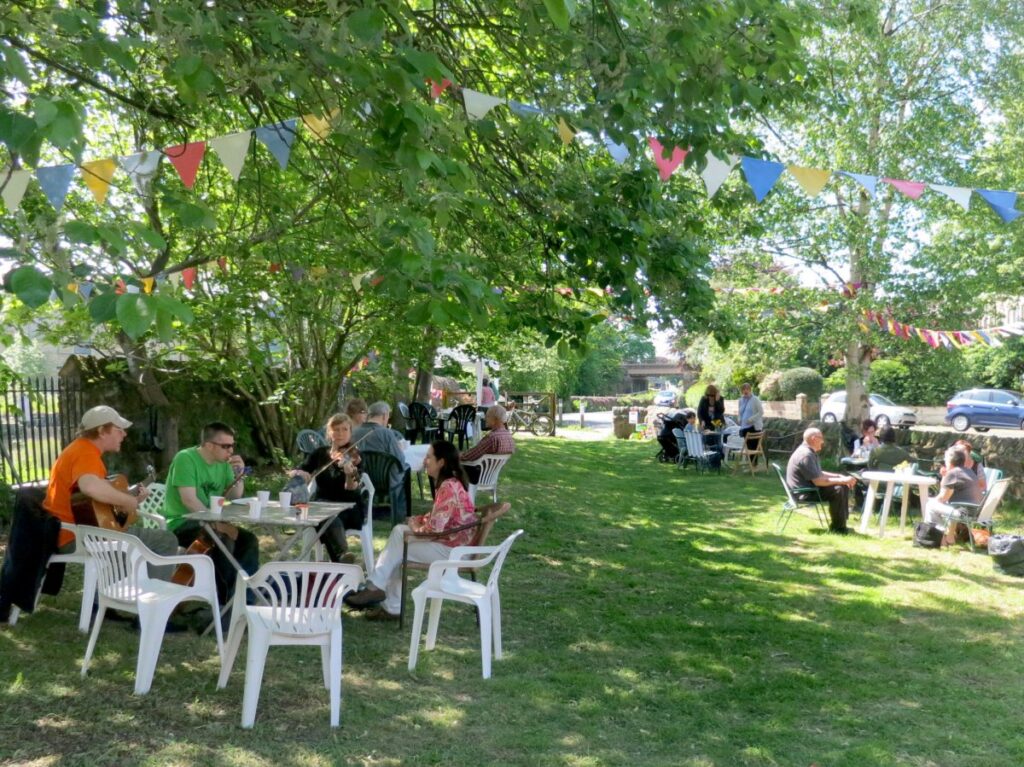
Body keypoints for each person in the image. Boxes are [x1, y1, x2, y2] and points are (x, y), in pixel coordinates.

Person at [344, 440, 477, 618]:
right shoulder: (450, 483)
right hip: (451, 545)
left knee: (399, 538)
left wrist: (414, 524)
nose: (424, 461)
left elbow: (433, 530)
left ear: (441, 462)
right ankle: (387, 602)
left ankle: (377, 591)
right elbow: (438, 519)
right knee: (398, 541)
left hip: (452, 551)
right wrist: (416, 520)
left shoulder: (448, 487)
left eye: (429, 457)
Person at [42, 405, 178, 571]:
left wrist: (133, 500)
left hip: (71, 532)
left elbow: (93, 505)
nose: (124, 434)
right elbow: (90, 488)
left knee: (138, 550)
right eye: (119, 429)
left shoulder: (80, 449)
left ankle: (126, 592)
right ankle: (154, 594)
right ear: (101, 431)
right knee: (166, 540)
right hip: (78, 535)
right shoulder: (86, 453)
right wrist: (128, 500)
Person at [162, 422, 260, 603]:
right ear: (208, 445)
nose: (230, 451)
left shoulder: (223, 464)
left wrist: (239, 475)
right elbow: (189, 500)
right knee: (222, 540)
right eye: (225, 446)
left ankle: (244, 599)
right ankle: (224, 602)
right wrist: (216, 524)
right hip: (182, 523)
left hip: (211, 522)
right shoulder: (185, 459)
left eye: (232, 445)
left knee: (249, 540)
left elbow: (235, 495)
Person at [289, 413, 365, 563]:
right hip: (321, 505)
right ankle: (341, 559)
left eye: (345, 429)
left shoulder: (355, 456)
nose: (341, 434)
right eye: (336, 430)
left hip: (348, 508)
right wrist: (300, 473)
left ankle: (340, 559)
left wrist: (349, 475)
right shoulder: (320, 454)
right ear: (329, 433)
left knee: (328, 518)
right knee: (323, 516)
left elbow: (352, 488)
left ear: (350, 432)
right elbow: (294, 471)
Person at [786, 427, 857, 533]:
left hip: (808, 488)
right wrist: (843, 481)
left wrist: (840, 477)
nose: (823, 441)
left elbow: (819, 473)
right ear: (814, 438)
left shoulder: (808, 452)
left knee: (842, 485)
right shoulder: (806, 455)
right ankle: (838, 528)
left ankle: (841, 523)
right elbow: (818, 481)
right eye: (821, 438)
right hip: (804, 493)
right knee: (838, 489)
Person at [353, 401, 410, 520]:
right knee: (406, 467)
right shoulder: (386, 434)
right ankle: (402, 513)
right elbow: (400, 459)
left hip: (360, 479)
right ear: (384, 416)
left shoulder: (354, 432)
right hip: (385, 481)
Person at [926, 446, 984, 541]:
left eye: (945, 459)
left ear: (950, 460)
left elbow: (942, 498)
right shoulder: (969, 471)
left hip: (962, 513)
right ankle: (946, 536)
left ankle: (937, 536)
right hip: (974, 512)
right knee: (933, 505)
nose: (944, 461)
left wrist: (929, 499)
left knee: (930, 505)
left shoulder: (953, 473)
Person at [460, 405, 515, 484]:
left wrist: (455, 456)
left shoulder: (492, 438)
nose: (485, 419)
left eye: (488, 416)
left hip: (478, 474)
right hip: (491, 476)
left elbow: (469, 456)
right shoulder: (509, 436)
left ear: (495, 419)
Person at [736, 383, 764, 464]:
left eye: (747, 389)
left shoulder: (755, 399)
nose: (745, 391)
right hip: (744, 427)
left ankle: (754, 464)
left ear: (750, 390)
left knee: (753, 447)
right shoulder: (740, 400)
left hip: (754, 426)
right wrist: (739, 418)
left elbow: (761, 412)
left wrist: (751, 419)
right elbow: (740, 412)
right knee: (748, 446)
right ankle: (751, 464)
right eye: (743, 389)